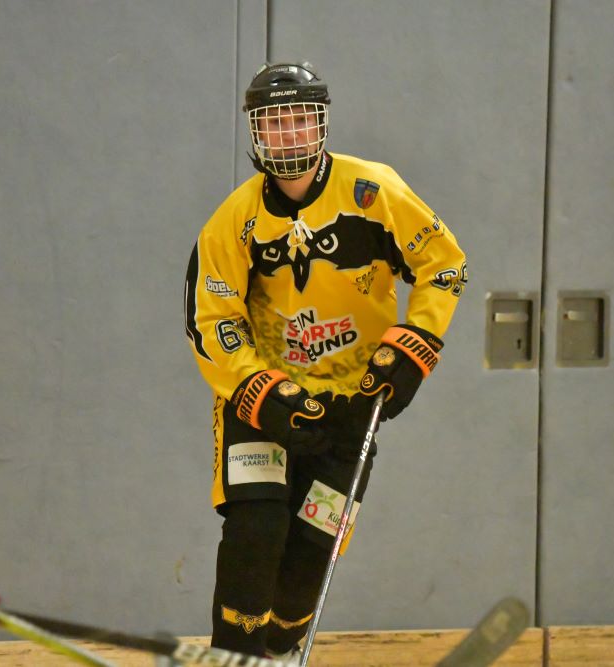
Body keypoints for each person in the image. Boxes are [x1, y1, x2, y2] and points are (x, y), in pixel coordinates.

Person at [184, 62, 468, 659]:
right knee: (254, 536)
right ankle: (233, 656)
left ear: (320, 125)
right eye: (274, 123)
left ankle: (281, 652)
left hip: (351, 406)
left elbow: (444, 266)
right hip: (264, 405)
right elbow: (210, 319)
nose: (288, 136)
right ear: (257, 133)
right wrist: (255, 386)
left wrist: (415, 344)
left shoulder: (374, 192)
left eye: (299, 121)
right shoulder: (233, 220)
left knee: (309, 558)